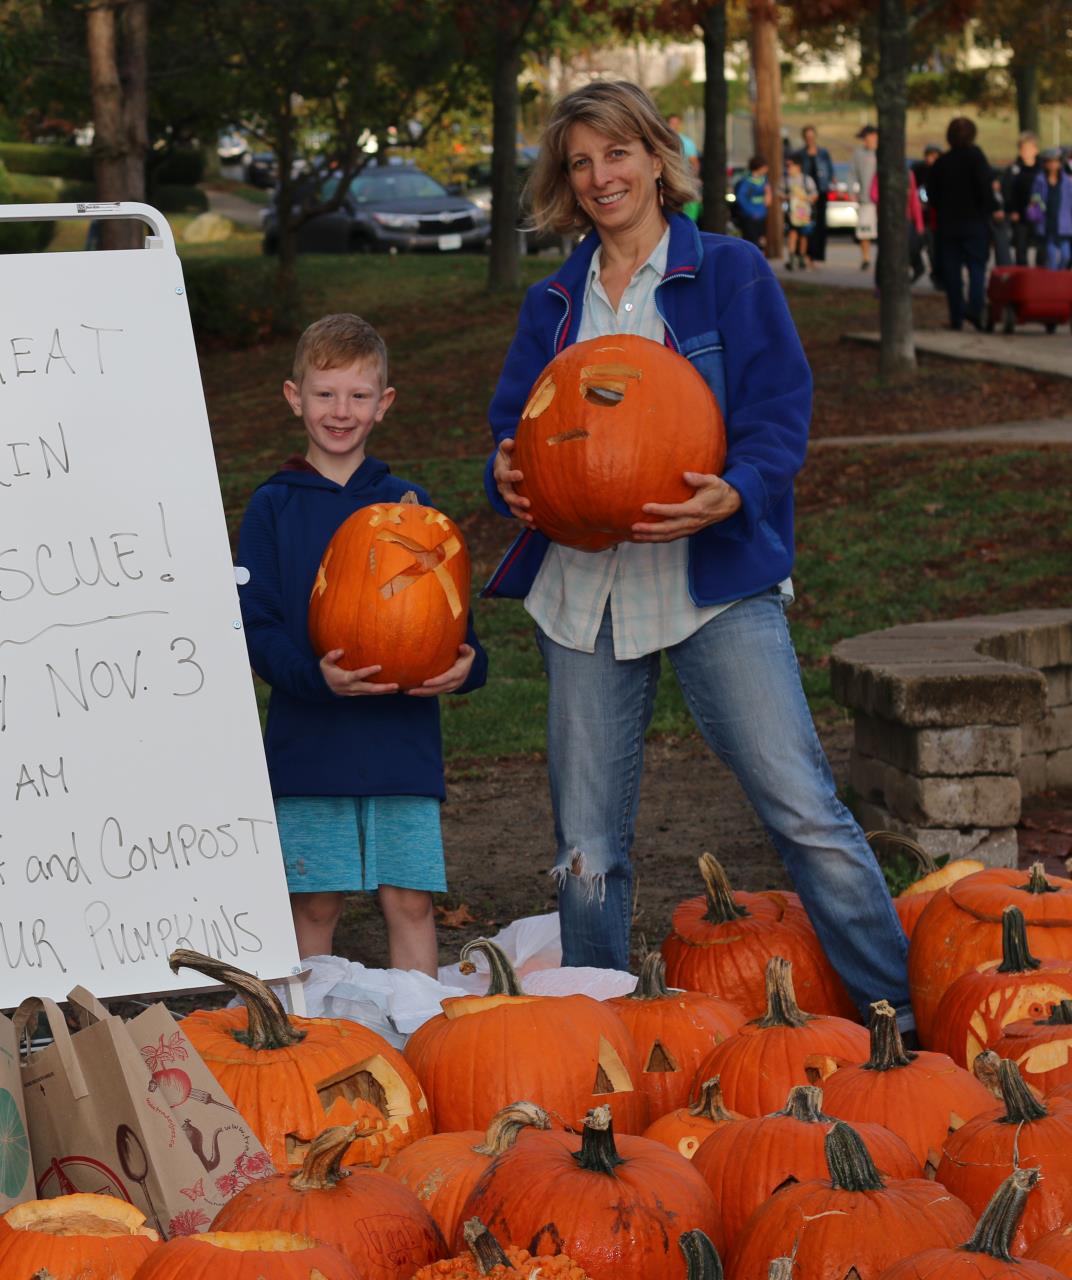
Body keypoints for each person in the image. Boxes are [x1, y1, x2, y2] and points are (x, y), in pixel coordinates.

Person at [481, 79, 911, 1019]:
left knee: (804, 809)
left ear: (654, 156)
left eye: (617, 154)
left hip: (708, 580)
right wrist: (504, 477)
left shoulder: (728, 272)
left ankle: (899, 1021)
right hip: (584, 590)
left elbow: (777, 415)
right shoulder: (554, 300)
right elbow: (516, 427)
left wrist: (738, 489)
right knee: (587, 844)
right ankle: (609, 1037)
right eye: (581, 163)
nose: (601, 177)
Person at [235, 313, 486, 976]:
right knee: (314, 905)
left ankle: (417, 1040)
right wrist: (315, 677)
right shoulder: (273, 507)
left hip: (400, 745)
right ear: (295, 398)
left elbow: (452, 617)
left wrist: (469, 665)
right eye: (325, 394)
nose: (340, 411)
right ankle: (306, 1042)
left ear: (384, 405)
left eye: (357, 395)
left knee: (409, 902)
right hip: (309, 742)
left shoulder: (413, 508)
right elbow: (254, 626)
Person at [927, 116, 998, 330]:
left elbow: (932, 194)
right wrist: (991, 210)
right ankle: (974, 308)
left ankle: (956, 316)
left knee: (952, 272)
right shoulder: (977, 159)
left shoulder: (942, 163)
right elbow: (985, 189)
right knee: (977, 267)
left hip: (948, 224)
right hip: (974, 222)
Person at [796, 125, 835, 266]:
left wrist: (832, 183)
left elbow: (830, 171)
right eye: (807, 136)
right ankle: (805, 255)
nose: (810, 139)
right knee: (806, 224)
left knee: (820, 224)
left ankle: (817, 255)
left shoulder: (823, 153)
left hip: (821, 191)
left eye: (812, 136)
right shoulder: (800, 153)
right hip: (806, 194)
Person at [1003, 132, 1044, 267]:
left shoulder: (1043, 169)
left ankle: (1040, 275)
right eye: (1022, 148)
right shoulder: (1014, 169)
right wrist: (1012, 210)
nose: (1025, 152)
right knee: (1020, 249)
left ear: (1035, 149)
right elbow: (1008, 191)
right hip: (1020, 215)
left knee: (1041, 247)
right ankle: (1023, 277)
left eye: (1028, 148)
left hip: (1040, 215)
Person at [1028, 148, 1072, 270]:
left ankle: (1059, 277)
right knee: (1051, 257)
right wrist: (1036, 203)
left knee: (1066, 256)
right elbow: (1034, 196)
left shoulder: (1067, 181)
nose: (1053, 165)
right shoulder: (1040, 179)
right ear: (1045, 163)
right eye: (1050, 162)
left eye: (1056, 161)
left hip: (1063, 223)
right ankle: (1051, 281)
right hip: (1047, 223)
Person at [912, 143, 943, 284]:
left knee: (933, 249)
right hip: (918, 216)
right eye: (930, 156)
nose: (932, 159)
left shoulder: (942, 171)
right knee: (913, 246)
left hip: (933, 218)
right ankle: (918, 267)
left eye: (935, 156)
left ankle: (936, 276)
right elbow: (914, 190)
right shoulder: (918, 170)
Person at [783, 154, 818, 271]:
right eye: (787, 166)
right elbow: (779, 194)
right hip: (791, 213)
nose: (788, 168)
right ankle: (792, 258)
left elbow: (814, 194)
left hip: (803, 212)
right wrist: (788, 197)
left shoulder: (806, 180)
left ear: (798, 167)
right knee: (792, 234)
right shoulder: (785, 180)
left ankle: (802, 257)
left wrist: (806, 198)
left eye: (790, 166)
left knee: (804, 235)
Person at [853, 125, 879, 269]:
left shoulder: (884, 152)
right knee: (864, 231)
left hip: (882, 201)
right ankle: (866, 258)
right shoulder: (859, 154)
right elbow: (853, 173)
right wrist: (852, 192)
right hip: (866, 199)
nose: (865, 140)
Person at [668, 111, 701, 222]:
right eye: (672, 123)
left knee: (688, 208)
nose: (674, 126)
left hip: (684, 179)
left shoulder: (687, 142)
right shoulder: (663, 141)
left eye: (676, 123)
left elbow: (694, 162)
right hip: (669, 179)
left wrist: (693, 179)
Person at [732, 154, 771, 244]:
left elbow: (767, 198)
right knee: (751, 241)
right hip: (750, 216)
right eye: (765, 167)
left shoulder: (764, 180)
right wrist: (752, 212)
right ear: (759, 167)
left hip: (761, 215)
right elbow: (741, 199)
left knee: (761, 241)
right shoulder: (746, 181)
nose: (767, 169)